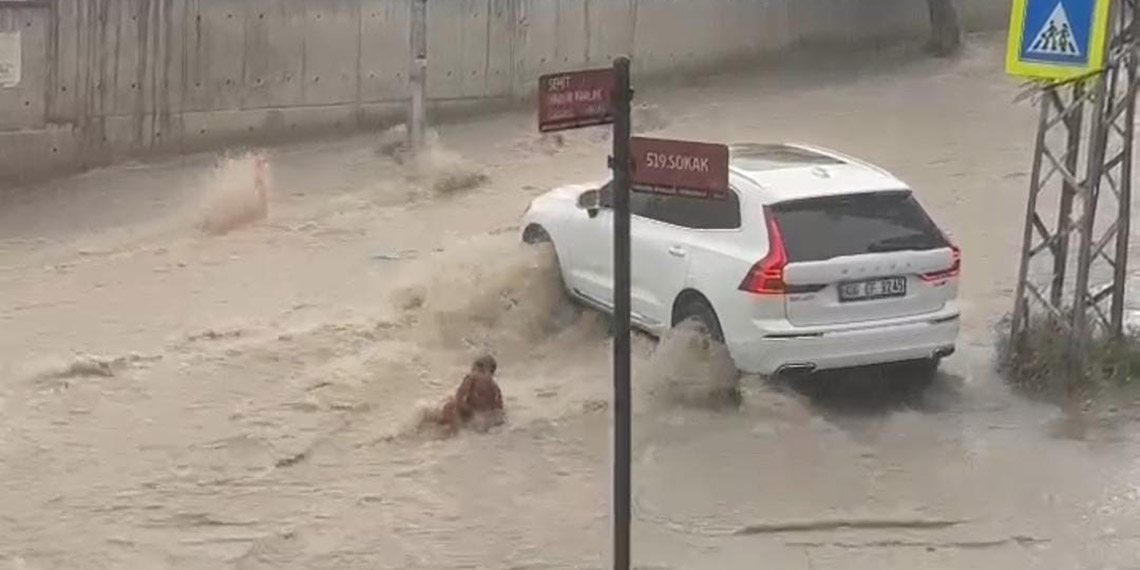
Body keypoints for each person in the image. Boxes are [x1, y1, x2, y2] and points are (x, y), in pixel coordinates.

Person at [432, 355, 505, 434]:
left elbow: (459, 397)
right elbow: (499, 408)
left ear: (477, 367)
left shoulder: (472, 378)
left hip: (465, 414)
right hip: (480, 419)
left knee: (447, 406)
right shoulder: (495, 387)